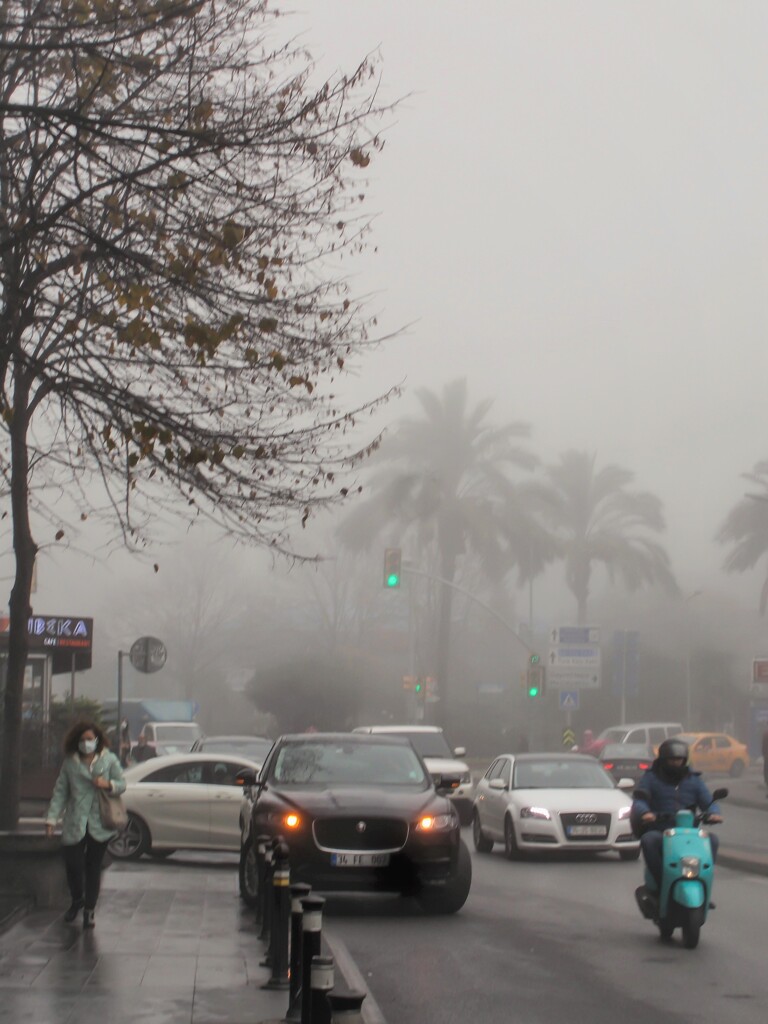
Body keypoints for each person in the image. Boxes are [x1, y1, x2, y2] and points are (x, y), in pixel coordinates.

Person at [45, 720, 126, 929]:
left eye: (89, 739)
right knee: (73, 865)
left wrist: (107, 784)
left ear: (97, 740)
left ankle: (89, 910)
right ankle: (76, 899)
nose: (86, 743)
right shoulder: (70, 763)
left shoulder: (108, 760)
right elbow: (60, 792)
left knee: (93, 868)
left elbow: (122, 784)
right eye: (82, 740)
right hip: (75, 822)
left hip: (100, 823)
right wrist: (52, 819)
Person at [632, 737, 722, 890]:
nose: (676, 763)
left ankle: (702, 882)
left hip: (689, 833)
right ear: (663, 760)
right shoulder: (651, 777)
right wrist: (645, 812)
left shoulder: (694, 780)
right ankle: (661, 882)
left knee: (712, 840)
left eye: (679, 760)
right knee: (648, 840)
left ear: (685, 760)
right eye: (672, 760)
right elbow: (640, 800)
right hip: (661, 830)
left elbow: (708, 802)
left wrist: (713, 813)